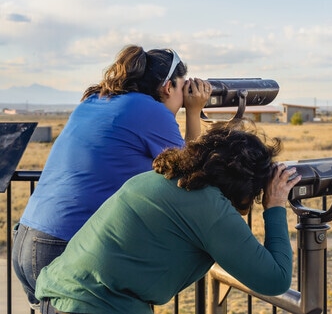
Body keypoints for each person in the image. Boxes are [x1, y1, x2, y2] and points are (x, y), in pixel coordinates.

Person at [12, 44, 212, 307]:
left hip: (27, 239)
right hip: (63, 247)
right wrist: (195, 111)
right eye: (183, 88)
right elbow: (191, 173)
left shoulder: (95, 100)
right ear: (167, 88)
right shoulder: (150, 111)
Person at [35, 121, 301, 314]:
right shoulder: (207, 204)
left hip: (59, 296)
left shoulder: (167, 177)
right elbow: (274, 279)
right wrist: (275, 205)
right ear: (244, 183)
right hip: (94, 307)